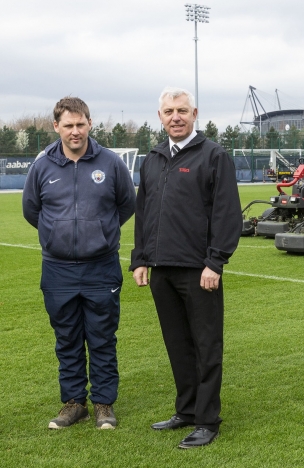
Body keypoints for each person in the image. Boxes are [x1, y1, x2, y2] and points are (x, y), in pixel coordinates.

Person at [130, 87, 242, 449]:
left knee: (206, 345)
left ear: (195, 113)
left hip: (199, 271)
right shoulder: (153, 158)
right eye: (168, 111)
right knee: (177, 345)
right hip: (161, 269)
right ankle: (187, 410)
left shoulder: (213, 155)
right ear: (159, 116)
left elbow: (226, 214)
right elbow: (144, 213)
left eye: (181, 110)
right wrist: (140, 258)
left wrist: (215, 261)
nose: (175, 117)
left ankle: (207, 420)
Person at [22, 96, 136, 430]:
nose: (75, 131)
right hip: (58, 269)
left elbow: (127, 205)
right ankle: (74, 404)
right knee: (67, 339)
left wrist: (101, 233)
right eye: (68, 125)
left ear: (90, 123)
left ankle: (103, 404)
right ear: (56, 126)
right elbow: (32, 210)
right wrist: (54, 234)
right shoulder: (42, 166)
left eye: (81, 124)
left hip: (101, 267)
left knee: (102, 338)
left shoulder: (111, 163)